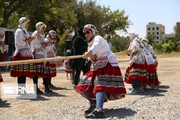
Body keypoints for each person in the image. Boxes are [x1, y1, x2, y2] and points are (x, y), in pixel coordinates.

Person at [76, 24, 126, 118]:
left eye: (88, 32)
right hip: (98, 65)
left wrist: (89, 53)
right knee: (85, 82)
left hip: (107, 63)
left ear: (93, 32)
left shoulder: (98, 38)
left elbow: (95, 47)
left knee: (100, 84)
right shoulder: (89, 44)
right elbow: (94, 58)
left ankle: (99, 110)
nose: (86, 34)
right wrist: (89, 55)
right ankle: (94, 104)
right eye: (84, 33)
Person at [10, 17, 36, 95]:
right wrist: (29, 40)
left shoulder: (24, 31)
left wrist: (29, 40)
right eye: (27, 23)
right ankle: (21, 91)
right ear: (24, 23)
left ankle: (22, 90)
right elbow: (20, 43)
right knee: (21, 74)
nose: (28, 25)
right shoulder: (19, 31)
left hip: (25, 54)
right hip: (20, 54)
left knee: (23, 73)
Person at [31, 22, 52, 93]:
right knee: (36, 73)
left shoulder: (42, 35)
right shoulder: (35, 34)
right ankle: (35, 88)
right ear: (39, 27)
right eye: (43, 28)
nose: (44, 29)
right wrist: (43, 44)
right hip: (37, 54)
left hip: (42, 54)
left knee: (44, 72)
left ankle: (46, 87)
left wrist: (45, 44)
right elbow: (34, 45)